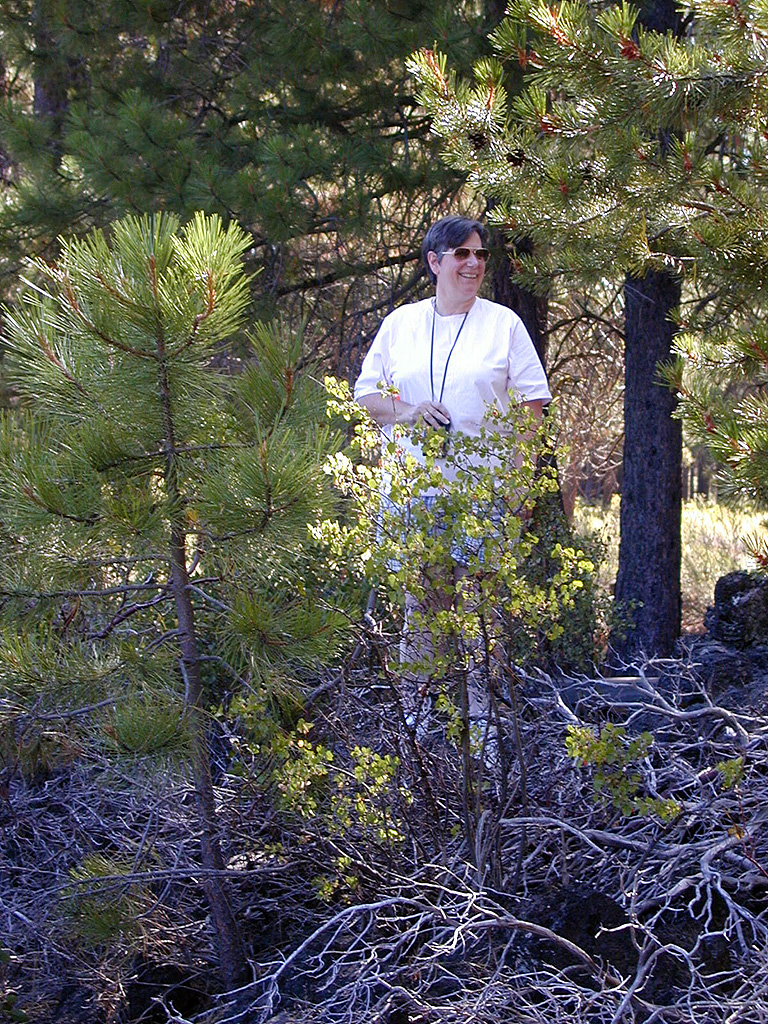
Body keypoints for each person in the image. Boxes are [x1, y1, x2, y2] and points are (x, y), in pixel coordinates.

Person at [353, 215, 552, 741]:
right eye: (461, 254)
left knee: (482, 616)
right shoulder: (401, 324)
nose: (473, 264)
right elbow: (368, 397)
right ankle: (418, 734)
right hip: (415, 492)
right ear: (434, 262)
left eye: (480, 255)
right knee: (422, 613)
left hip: (484, 491)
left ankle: (487, 735)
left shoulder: (503, 324)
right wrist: (410, 410)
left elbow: (533, 406)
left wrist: (518, 483)